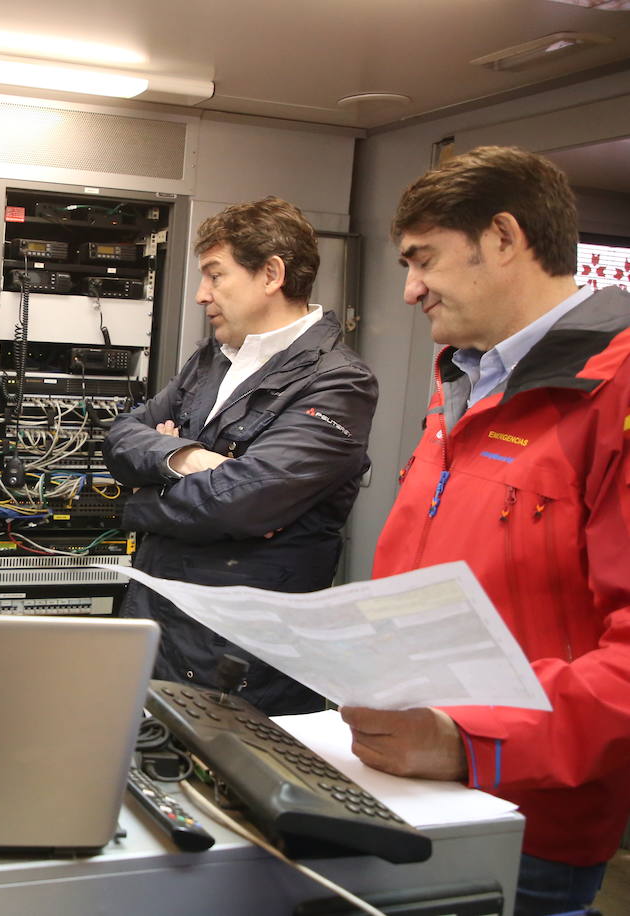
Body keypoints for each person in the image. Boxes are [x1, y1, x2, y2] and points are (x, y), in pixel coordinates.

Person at [340, 146, 630, 916]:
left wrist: (472, 741)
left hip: (527, 816)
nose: (408, 290)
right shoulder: (464, 380)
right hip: (405, 776)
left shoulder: (614, 390)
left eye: (423, 260)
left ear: (503, 237)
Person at [103, 197, 378, 715]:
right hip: (157, 621)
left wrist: (143, 497)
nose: (201, 295)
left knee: (228, 790)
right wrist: (187, 458)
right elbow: (120, 437)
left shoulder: (338, 382)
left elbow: (243, 501)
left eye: (215, 275)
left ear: (271, 274)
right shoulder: (211, 358)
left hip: (243, 655)